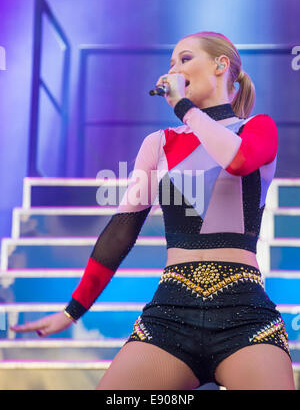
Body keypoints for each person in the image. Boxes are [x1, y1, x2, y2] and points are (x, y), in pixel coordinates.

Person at [11, 31, 295, 390]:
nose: (174, 69)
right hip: (171, 311)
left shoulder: (257, 128)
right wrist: (73, 311)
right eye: (171, 63)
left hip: (244, 313)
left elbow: (237, 160)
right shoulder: (160, 143)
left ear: (221, 66)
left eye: (185, 59)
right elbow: (120, 231)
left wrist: (185, 108)